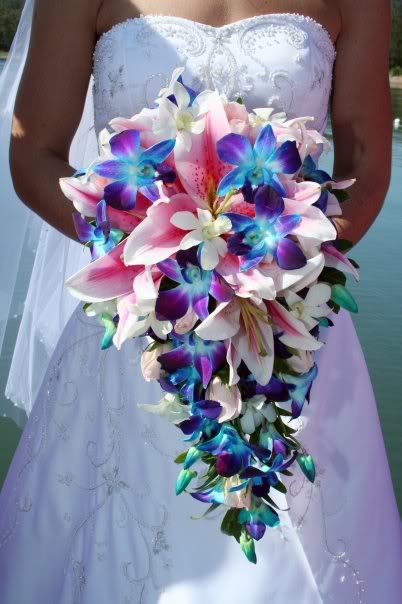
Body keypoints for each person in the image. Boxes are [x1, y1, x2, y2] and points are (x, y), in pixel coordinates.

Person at [0, 1, 401, 602]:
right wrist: (153, 256)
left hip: (286, 317)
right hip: (139, 318)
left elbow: (366, 164)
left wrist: (272, 268)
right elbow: (35, 156)